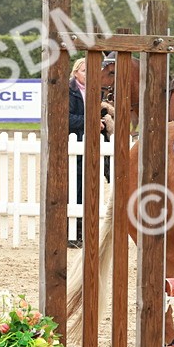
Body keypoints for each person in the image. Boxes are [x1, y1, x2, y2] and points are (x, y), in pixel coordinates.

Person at [67, 57, 113, 247]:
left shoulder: (95, 90)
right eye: (84, 71)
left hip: (94, 142)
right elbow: (67, 118)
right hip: (74, 142)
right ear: (76, 72)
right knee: (77, 187)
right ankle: (73, 233)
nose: (88, 74)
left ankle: (86, 229)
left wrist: (103, 118)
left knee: (92, 185)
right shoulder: (69, 90)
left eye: (90, 71)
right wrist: (91, 121)